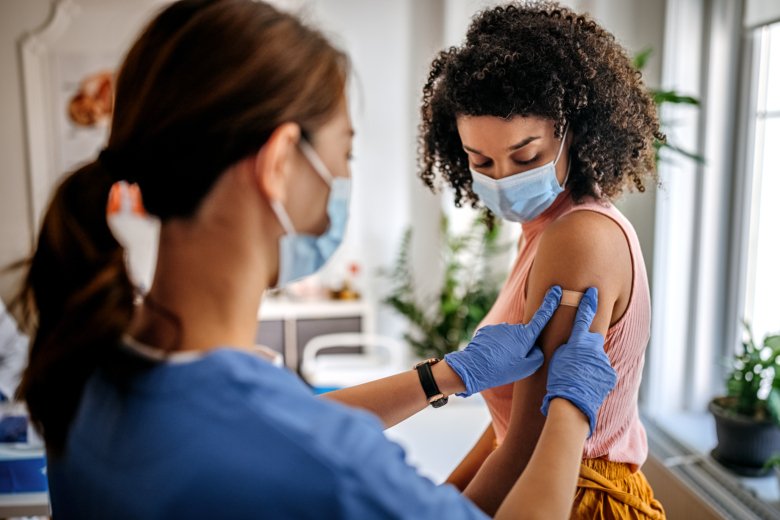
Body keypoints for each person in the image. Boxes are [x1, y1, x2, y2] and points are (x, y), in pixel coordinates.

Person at [11, 1, 615, 518]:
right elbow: (296, 437)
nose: (346, 179)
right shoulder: (323, 464)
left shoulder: (85, 367)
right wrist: (569, 408)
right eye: (344, 152)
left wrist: (447, 374)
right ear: (278, 165)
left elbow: (277, 421)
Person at [419, 1, 666, 518]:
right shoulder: (541, 230)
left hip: (576, 497)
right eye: (480, 161)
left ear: (572, 131)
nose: (504, 178)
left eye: (526, 157)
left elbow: (528, 447)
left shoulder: (578, 238)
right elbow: (505, 429)